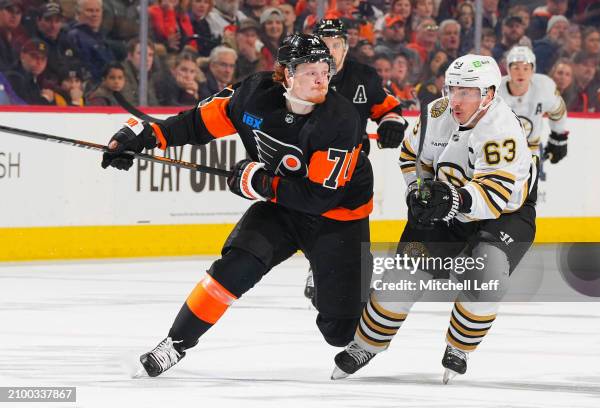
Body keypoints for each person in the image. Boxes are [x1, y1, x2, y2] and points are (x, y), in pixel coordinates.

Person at [101, 33, 375, 377]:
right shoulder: (253, 95)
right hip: (282, 209)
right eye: (310, 70)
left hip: (337, 217)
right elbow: (196, 123)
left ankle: (352, 289)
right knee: (233, 268)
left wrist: (258, 182)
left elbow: (320, 196)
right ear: (287, 73)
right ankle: (175, 344)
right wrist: (147, 136)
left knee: (339, 333)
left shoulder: (340, 119)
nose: (321, 78)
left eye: (326, 69)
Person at [331, 54, 538, 384]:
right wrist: (418, 190)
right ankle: (365, 344)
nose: (455, 99)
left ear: (489, 94)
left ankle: (460, 347)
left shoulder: (501, 131)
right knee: (401, 280)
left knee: (488, 272)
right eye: (452, 88)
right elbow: (411, 155)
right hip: (446, 205)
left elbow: (494, 197)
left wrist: (451, 199)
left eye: (467, 92)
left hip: (504, 216)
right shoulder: (435, 113)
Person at [301, 19, 408, 300]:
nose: (330, 50)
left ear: (346, 48)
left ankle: (361, 275)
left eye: (336, 45)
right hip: (310, 164)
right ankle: (318, 267)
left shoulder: (364, 77)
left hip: (352, 165)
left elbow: (388, 108)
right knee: (314, 217)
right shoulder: (301, 74)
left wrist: (391, 122)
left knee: (357, 223)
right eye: (324, 45)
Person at [498, 46, 568, 164]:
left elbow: (558, 111)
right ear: (508, 69)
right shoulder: (495, 91)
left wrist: (558, 136)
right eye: (516, 68)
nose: (521, 73)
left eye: (526, 68)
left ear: (532, 70)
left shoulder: (544, 87)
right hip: (499, 151)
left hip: (531, 152)